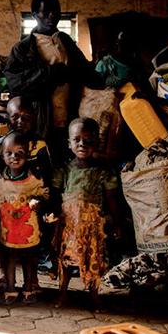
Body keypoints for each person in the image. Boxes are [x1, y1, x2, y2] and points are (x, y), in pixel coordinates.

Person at [3, 0, 96, 146]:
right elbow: (16, 85)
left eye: (56, 11)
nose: (52, 16)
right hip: (41, 121)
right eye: (45, 12)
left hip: (69, 118)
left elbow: (85, 71)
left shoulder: (65, 41)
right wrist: (51, 73)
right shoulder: (23, 49)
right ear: (34, 15)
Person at [52, 118, 122, 308]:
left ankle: (94, 295)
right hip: (69, 225)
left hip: (92, 226)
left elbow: (111, 198)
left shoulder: (103, 172)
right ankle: (63, 293)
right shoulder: (64, 170)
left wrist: (116, 222)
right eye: (77, 140)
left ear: (97, 143)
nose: (82, 144)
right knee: (65, 259)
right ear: (69, 143)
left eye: (88, 140)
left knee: (94, 259)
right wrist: (52, 216)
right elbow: (55, 196)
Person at [0, 131, 51, 304]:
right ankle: (10, 289)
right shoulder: (1, 182)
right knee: (9, 260)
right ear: (2, 154)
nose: (14, 157)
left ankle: (29, 288)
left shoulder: (34, 180)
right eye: (9, 153)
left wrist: (38, 202)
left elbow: (45, 195)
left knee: (29, 261)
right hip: (7, 233)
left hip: (29, 234)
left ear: (28, 155)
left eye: (19, 154)